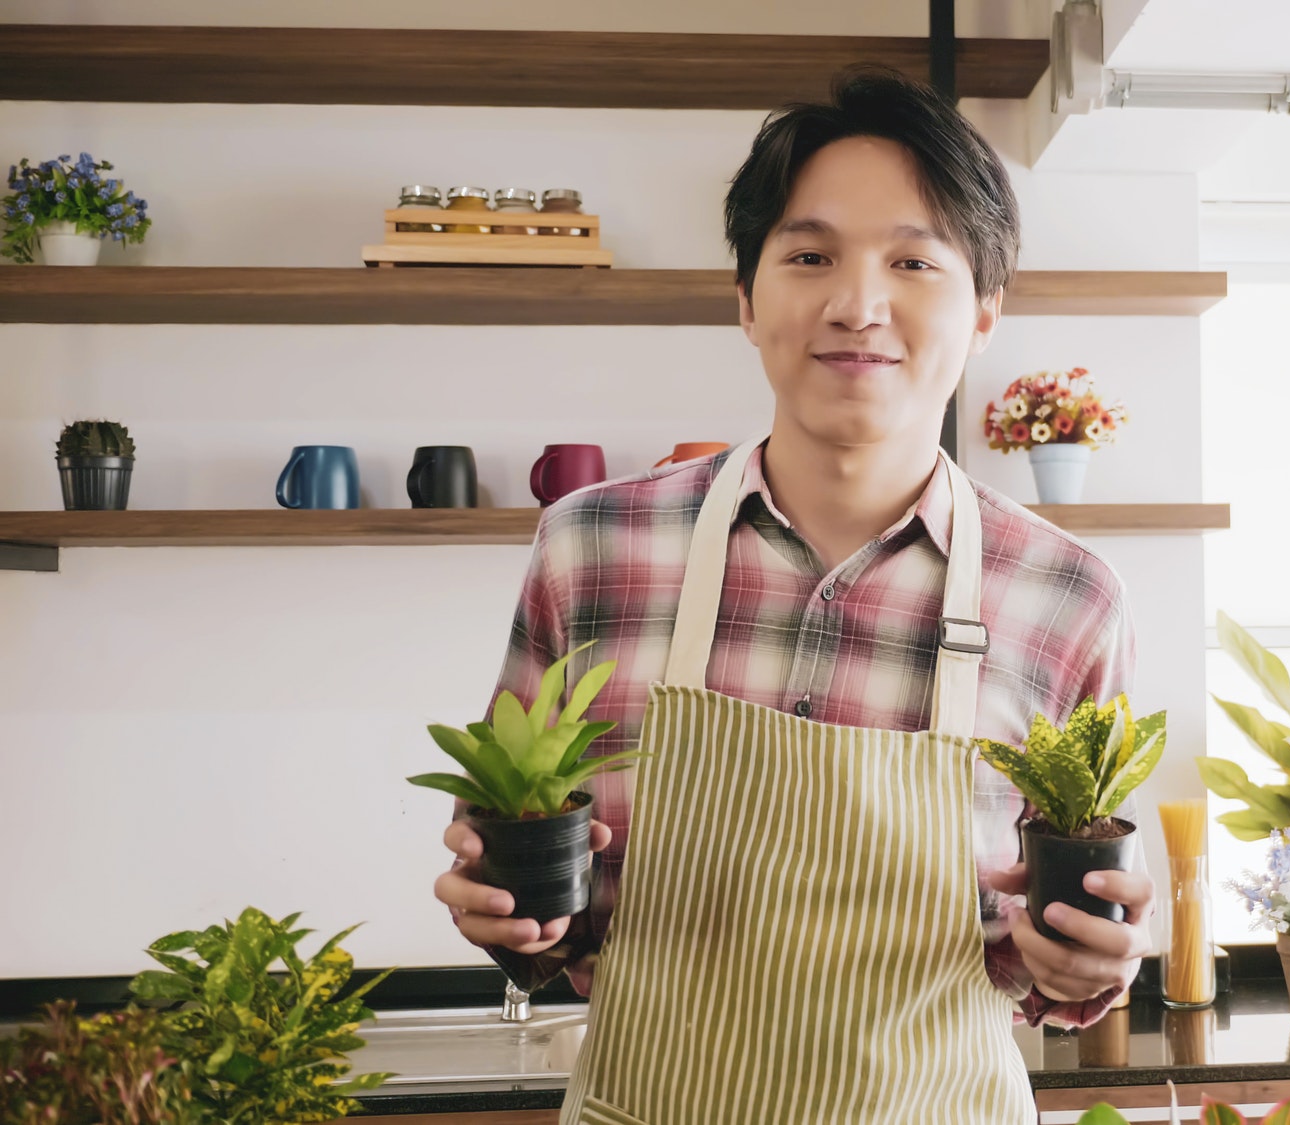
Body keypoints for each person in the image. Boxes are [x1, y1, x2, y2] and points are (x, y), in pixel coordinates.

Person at [430, 66, 1153, 1123]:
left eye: (913, 260)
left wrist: (1089, 965)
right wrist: (506, 915)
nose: (857, 305)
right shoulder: (591, 548)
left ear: (986, 312)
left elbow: (1059, 962)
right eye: (809, 256)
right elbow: (531, 882)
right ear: (745, 296)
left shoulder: (1067, 596)